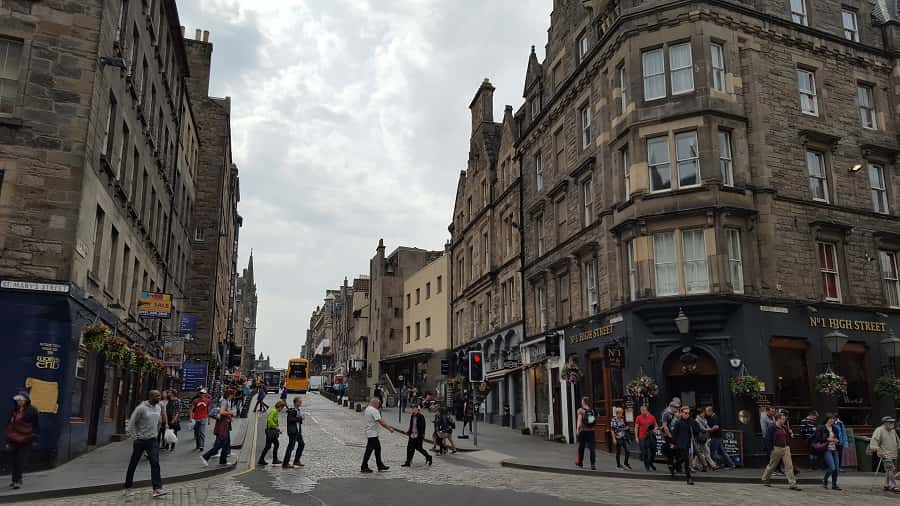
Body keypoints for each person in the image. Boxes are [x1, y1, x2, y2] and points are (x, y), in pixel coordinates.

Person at [123, 390, 166, 498]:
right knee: (133, 463)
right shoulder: (141, 408)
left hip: (152, 440)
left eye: (159, 396)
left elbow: (158, 421)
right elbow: (131, 424)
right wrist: (135, 437)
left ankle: (157, 489)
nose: (159, 398)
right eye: (157, 396)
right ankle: (128, 487)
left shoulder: (158, 407)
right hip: (140, 441)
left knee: (155, 463)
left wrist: (156, 433)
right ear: (151, 397)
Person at [6, 393, 39, 490]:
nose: (19, 402)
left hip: (26, 439)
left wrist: (35, 438)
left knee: (20, 459)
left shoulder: (32, 410)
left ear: (26, 400)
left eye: (21, 400)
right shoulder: (14, 410)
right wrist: (7, 439)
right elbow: (10, 424)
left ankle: (18, 480)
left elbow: (36, 425)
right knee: (14, 460)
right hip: (13, 438)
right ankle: (14, 480)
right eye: (17, 400)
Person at [761, 412, 801, 490]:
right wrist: (771, 449)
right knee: (772, 465)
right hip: (776, 448)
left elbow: (787, 436)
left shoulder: (785, 427)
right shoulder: (772, 427)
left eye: (784, 419)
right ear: (778, 419)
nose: (784, 420)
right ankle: (765, 479)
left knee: (789, 466)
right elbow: (767, 439)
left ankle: (792, 484)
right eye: (783, 419)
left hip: (785, 448)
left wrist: (790, 435)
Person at [201, 389, 236, 466]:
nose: (233, 396)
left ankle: (223, 461)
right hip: (222, 425)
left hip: (225, 425)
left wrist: (229, 417)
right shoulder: (224, 401)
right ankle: (206, 456)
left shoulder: (226, 401)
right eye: (233, 395)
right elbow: (222, 412)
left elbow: (223, 412)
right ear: (229, 394)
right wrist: (231, 413)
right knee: (220, 444)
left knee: (226, 444)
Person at [361, 397, 395, 473]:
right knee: (369, 450)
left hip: (370, 432)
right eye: (378, 404)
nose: (379, 405)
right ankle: (364, 466)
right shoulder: (374, 410)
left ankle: (379, 465)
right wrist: (389, 428)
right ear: (375, 403)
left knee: (377, 449)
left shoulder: (367, 409)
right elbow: (380, 421)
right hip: (372, 433)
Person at [869, 416, 900, 493]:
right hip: (884, 454)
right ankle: (893, 486)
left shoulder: (893, 431)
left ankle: (886, 484)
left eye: (893, 422)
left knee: (888, 470)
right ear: (884, 423)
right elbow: (874, 441)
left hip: (894, 453)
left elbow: (897, 440)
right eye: (890, 422)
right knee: (891, 469)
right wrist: (877, 449)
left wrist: (899, 446)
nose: (892, 423)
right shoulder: (879, 430)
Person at [670, 406, 697, 485]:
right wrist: (673, 443)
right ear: (681, 413)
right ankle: (688, 478)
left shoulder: (690, 421)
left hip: (687, 443)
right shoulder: (678, 422)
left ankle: (674, 466)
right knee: (686, 460)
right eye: (685, 413)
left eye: (688, 413)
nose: (687, 414)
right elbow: (674, 434)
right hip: (680, 444)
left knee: (683, 459)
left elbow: (696, 429)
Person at [815, 412, 841, 491]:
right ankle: (825, 480)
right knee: (832, 467)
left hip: (834, 449)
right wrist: (827, 439)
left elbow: (837, 439)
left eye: (833, 419)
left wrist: (837, 440)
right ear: (827, 420)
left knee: (836, 468)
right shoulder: (821, 428)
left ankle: (834, 484)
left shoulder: (835, 428)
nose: (832, 420)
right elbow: (818, 439)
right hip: (826, 449)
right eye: (830, 419)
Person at [258, 400, 286, 466]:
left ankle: (262, 459)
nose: (281, 410)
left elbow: (273, 420)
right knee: (276, 444)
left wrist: (277, 429)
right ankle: (274, 459)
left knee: (268, 446)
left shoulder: (275, 411)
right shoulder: (274, 411)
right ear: (279, 406)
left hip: (271, 431)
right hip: (271, 431)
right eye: (282, 408)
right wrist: (275, 427)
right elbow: (269, 420)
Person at [283, 397, 305, 468]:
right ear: (295, 403)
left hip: (298, 431)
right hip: (293, 431)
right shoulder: (292, 411)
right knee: (291, 447)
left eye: (301, 402)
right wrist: (300, 418)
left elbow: (297, 420)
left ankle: (296, 461)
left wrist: (300, 419)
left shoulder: (298, 410)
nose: (301, 403)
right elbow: (290, 420)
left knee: (301, 444)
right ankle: (285, 463)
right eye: (299, 402)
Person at [575, 397, 596, 470]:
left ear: (583, 402)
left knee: (581, 447)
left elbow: (579, 421)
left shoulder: (580, 410)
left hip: (583, 431)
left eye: (582, 401)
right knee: (592, 448)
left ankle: (580, 462)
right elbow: (592, 422)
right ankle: (593, 464)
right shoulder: (591, 410)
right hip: (591, 431)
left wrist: (577, 429)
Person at [634, 404, 657, 471]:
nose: (642, 412)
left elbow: (656, 425)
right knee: (644, 452)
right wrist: (636, 437)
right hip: (642, 437)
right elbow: (636, 427)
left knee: (653, 450)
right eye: (641, 410)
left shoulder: (652, 417)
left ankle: (650, 463)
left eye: (644, 410)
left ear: (647, 410)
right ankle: (647, 466)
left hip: (650, 436)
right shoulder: (638, 417)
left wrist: (655, 429)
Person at [660, 401, 680, 474]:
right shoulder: (666, 414)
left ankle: (676, 467)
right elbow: (665, 426)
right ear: (671, 407)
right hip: (669, 436)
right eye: (676, 408)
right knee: (670, 452)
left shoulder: (675, 414)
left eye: (678, 408)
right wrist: (669, 435)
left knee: (678, 452)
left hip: (675, 435)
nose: (677, 409)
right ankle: (671, 467)